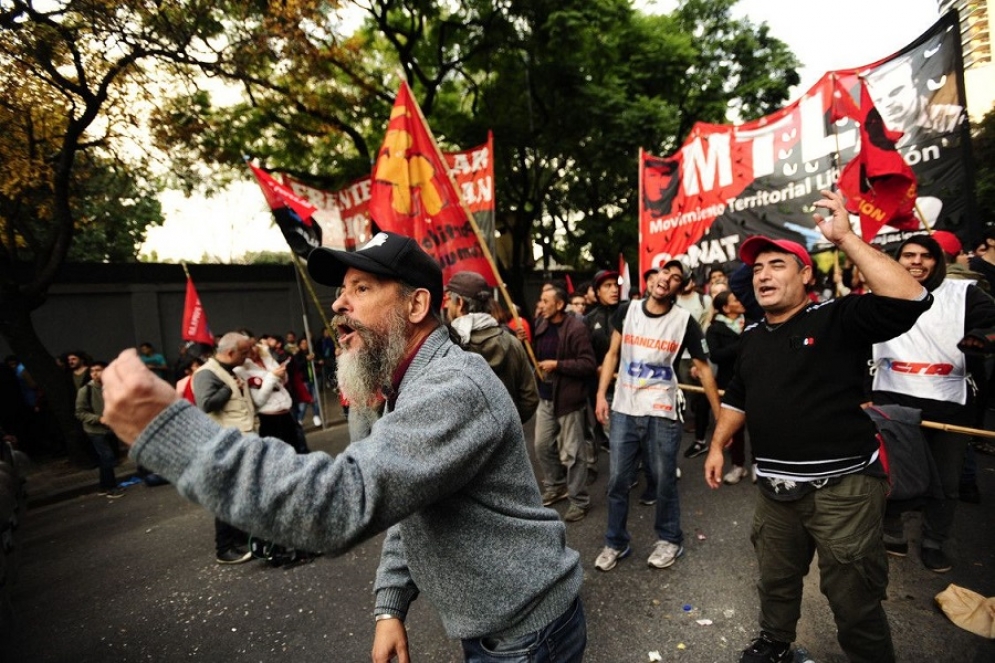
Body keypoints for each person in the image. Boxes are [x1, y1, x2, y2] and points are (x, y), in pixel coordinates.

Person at [99, 231, 586, 663]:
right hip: (502, 629)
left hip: (524, 638)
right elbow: (413, 503)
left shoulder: (452, 388)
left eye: (362, 289)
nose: (338, 305)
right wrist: (390, 603)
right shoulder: (411, 383)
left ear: (417, 306)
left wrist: (169, 431)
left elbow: (336, 501)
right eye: (341, 291)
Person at [703, 190, 932, 663]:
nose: (763, 275)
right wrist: (717, 445)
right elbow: (739, 397)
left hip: (843, 492)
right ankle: (775, 644)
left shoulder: (837, 317)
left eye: (777, 265)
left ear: (806, 274)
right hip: (774, 492)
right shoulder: (751, 337)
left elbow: (910, 297)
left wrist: (846, 238)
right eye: (758, 268)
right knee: (775, 579)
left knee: (854, 597)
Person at [871, 234, 995, 573]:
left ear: (938, 261)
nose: (916, 261)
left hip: (949, 404)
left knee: (946, 481)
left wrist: (983, 338)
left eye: (925, 255)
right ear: (897, 260)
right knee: (890, 474)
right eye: (908, 254)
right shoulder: (878, 293)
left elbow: (992, 324)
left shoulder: (965, 293)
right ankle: (892, 530)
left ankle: (934, 542)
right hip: (892, 399)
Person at [593, 260, 721, 572]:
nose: (667, 279)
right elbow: (612, 353)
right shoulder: (628, 311)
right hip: (624, 408)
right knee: (618, 480)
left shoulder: (684, 321)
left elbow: (704, 370)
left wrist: (721, 423)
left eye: (676, 277)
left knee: (664, 479)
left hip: (662, 411)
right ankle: (615, 542)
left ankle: (670, 539)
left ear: (681, 287)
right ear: (655, 276)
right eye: (665, 272)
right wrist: (600, 394)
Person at [533, 286, 597, 522]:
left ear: (559, 305)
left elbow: (588, 364)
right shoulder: (541, 325)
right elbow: (536, 357)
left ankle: (579, 500)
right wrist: (523, 341)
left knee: (573, 453)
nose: (541, 305)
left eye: (545, 301)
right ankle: (556, 484)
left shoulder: (576, 329)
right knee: (541, 445)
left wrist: (558, 365)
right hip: (546, 397)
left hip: (569, 399)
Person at [192, 332, 257, 565]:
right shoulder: (206, 373)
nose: (247, 356)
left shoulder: (230, 370)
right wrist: (229, 389)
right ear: (230, 352)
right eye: (244, 352)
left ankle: (238, 539)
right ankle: (224, 548)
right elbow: (206, 404)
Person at [443, 271, 538, 423]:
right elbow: (530, 398)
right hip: (507, 435)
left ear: (460, 303)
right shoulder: (513, 342)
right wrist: (508, 425)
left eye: (448, 299)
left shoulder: (448, 346)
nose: (446, 305)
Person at [704, 290, 750, 485]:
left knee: (760, 424)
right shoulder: (714, 329)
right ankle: (738, 465)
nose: (741, 302)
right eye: (735, 300)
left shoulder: (751, 323)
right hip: (729, 382)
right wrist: (742, 344)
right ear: (725, 307)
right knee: (735, 427)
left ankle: (760, 465)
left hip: (754, 379)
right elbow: (716, 355)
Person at [675, 272, 713, 459]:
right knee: (689, 392)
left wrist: (701, 357)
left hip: (700, 354)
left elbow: (706, 328)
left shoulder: (704, 301)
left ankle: (702, 433)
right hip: (680, 355)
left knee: (704, 393)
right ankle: (697, 422)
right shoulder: (672, 301)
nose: (684, 283)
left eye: (687, 279)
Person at [75, 361, 123, 499]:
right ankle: (111, 488)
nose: (95, 373)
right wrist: (98, 419)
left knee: (106, 458)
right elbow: (80, 413)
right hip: (95, 430)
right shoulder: (86, 390)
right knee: (108, 457)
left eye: (98, 370)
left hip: (110, 428)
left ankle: (104, 486)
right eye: (92, 371)